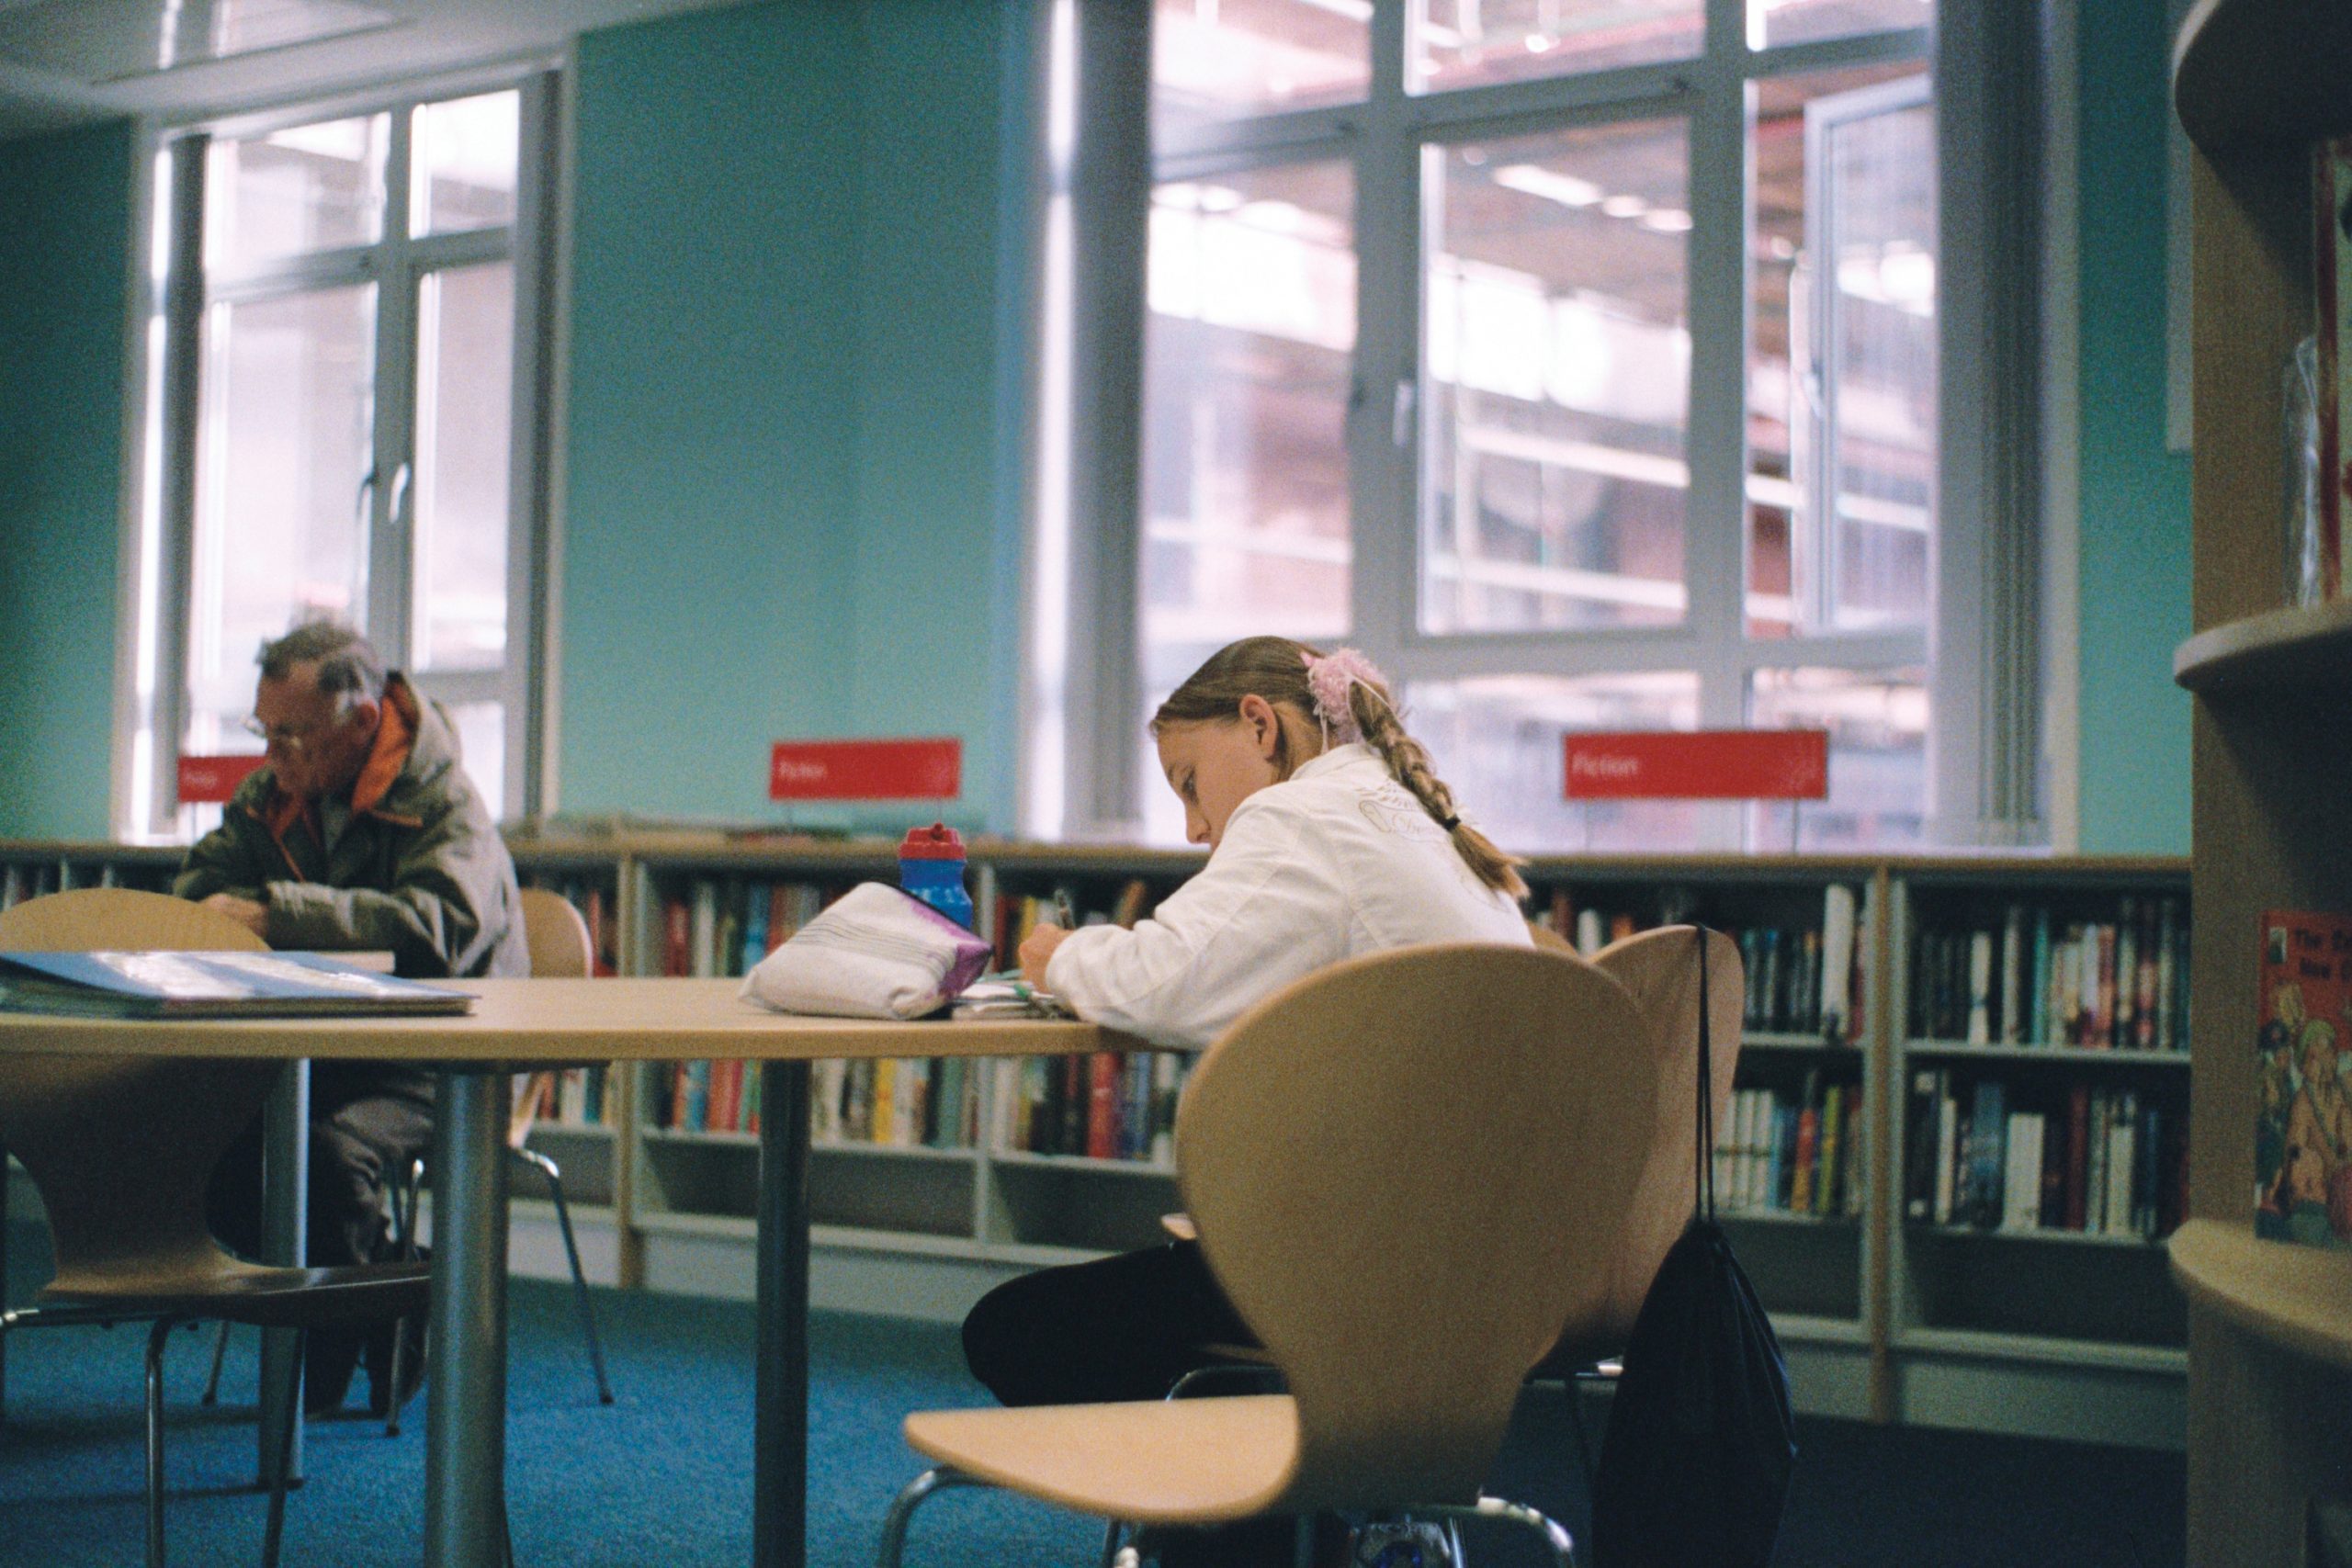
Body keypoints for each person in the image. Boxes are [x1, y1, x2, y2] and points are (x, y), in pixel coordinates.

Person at [961, 636, 1532, 1566]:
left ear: (1259, 726)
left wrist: (1054, 953)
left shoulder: (1301, 818)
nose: (1192, 825)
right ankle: (1305, 1522)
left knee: (1017, 1332)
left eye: (1189, 781)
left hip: (1370, 1281)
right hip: (1491, 1270)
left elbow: (1158, 982)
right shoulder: (1406, 820)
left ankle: (1250, 1521)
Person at [177, 619, 528, 1416]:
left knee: (327, 1156)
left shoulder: (443, 798)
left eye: (293, 735)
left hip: (445, 1051)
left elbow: (437, 927)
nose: (273, 755)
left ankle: (339, 1334)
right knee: (208, 1147)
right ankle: (396, 1292)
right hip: (321, 1045)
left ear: (363, 721)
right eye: (263, 732)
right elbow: (195, 891)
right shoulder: (272, 794)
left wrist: (278, 915)